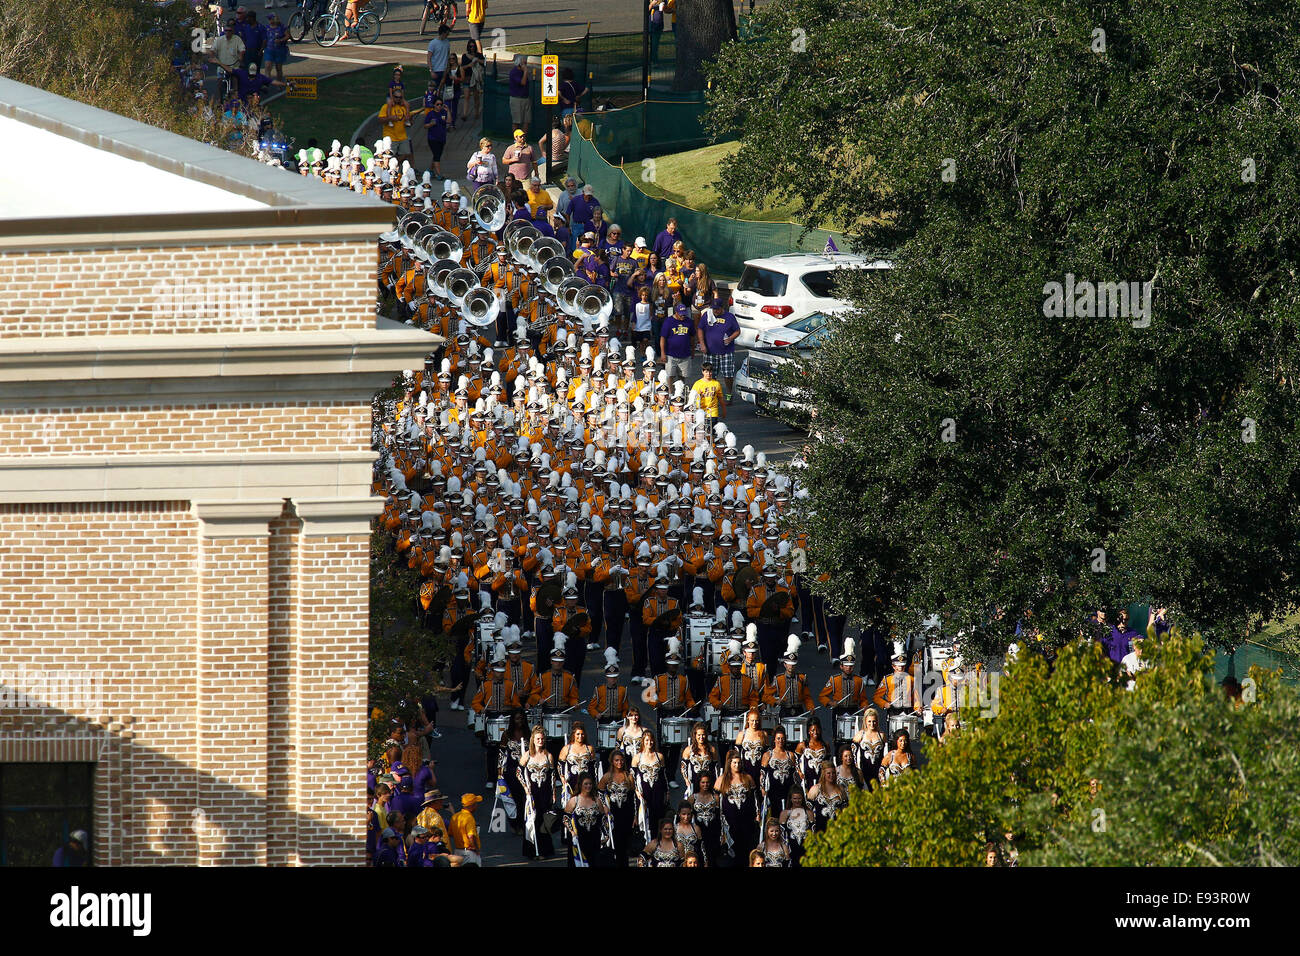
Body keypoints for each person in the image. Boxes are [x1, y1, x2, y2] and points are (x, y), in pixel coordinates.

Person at [519, 725, 558, 859]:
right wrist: (525, 788)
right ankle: (531, 851)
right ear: (533, 740)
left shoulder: (549, 756)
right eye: (538, 739)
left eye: (542, 739)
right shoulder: (527, 755)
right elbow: (519, 772)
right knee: (532, 821)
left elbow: (553, 776)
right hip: (532, 793)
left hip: (545, 793)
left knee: (544, 822)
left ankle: (544, 850)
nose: (540, 741)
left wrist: (553, 793)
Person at [717, 749, 759, 864]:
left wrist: (758, 813)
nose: (737, 765)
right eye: (734, 762)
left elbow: (755, 798)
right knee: (732, 849)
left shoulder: (748, 778)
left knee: (746, 847)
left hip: (746, 820)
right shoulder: (722, 779)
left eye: (739, 762)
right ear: (729, 764)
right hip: (729, 820)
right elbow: (716, 800)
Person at [698, 292, 741, 399]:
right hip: (710, 351)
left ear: (722, 308)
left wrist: (730, 338)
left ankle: (729, 395)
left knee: (728, 375)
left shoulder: (729, 317)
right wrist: (702, 344)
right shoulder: (707, 315)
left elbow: (737, 331)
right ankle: (712, 395)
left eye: (717, 309)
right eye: (713, 309)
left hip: (726, 351)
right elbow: (700, 329)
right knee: (711, 375)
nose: (715, 311)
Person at [598, 749, 637, 864]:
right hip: (613, 813)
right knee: (615, 841)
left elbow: (633, 798)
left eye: (621, 760)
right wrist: (604, 806)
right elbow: (599, 792)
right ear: (612, 762)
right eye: (616, 760)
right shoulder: (607, 777)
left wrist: (635, 815)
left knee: (625, 842)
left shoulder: (629, 777)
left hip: (627, 813)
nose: (619, 763)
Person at [563, 772, 608, 866]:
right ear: (580, 785)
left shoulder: (597, 800)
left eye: (590, 784)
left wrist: (606, 834)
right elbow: (566, 818)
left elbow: (603, 819)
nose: (588, 786)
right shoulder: (574, 800)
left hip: (594, 838)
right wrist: (572, 832)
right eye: (586, 784)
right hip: (579, 838)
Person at [632, 730, 668, 845]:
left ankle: (658, 842)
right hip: (643, 792)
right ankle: (645, 844)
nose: (650, 742)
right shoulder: (637, 757)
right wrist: (636, 791)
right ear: (643, 741)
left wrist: (667, 792)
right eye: (647, 740)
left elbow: (663, 776)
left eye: (651, 739)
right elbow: (632, 777)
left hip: (658, 791)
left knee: (657, 818)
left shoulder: (660, 756)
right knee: (644, 818)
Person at [759, 726, 798, 818]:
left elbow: (794, 774)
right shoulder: (768, 754)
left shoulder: (790, 755)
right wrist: (762, 788)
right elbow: (762, 774)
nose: (780, 740)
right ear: (774, 740)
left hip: (787, 790)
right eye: (778, 738)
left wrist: (795, 789)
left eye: (782, 738)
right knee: (774, 815)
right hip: (773, 790)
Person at [660, 301, 695, 387]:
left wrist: (693, 350)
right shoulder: (668, 321)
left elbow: (692, 337)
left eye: (684, 314)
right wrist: (663, 353)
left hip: (685, 354)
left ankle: (680, 394)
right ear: (676, 312)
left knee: (683, 376)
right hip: (671, 354)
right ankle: (670, 394)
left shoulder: (689, 322)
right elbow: (663, 338)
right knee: (670, 375)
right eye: (681, 314)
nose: (683, 316)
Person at [806, 764, 849, 832]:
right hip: (819, 829)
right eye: (828, 773)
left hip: (837, 829)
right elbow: (807, 810)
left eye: (833, 773)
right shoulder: (816, 789)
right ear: (824, 774)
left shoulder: (841, 789)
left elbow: (845, 810)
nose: (831, 775)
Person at [852, 707, 886, 789]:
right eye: (869, 721)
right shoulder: (860, 735)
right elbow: (853, 754)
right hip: (864, 770)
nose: (872, 724)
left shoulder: (881, 735)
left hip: (878, 771)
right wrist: (857, 770)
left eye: (874, 721)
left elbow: (886, 754)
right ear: (865, 722)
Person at [796, 718, 831, 792]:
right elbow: (795, 760)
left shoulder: (825, 745)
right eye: (812, 730)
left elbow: (828, 763)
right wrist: (799, 772)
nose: (815, 732)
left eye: (817, 730)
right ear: (808, 731)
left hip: (821, 778)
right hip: (807, 778)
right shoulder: (803, 745)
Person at [379, 89, 414, 162]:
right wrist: (390, 118)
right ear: (392, 97)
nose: (398, 99)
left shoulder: (403, 107)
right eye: (396, 97)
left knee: (406, 154)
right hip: (390, 136)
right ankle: (391, 168)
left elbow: (411, 122)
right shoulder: (386, 107)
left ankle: (394, 165)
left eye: (400, 97)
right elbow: (380, 120)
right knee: (389, 156)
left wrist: (409, 119)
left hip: (402, 136)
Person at [422, 93, 450, 178]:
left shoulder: (444, 112)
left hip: (442, 138)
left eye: (441, 104)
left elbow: (449, 121)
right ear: (434, 105)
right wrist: (431, 124)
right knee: (437, 155)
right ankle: (439, 174)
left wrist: (448, 110)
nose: (439, 106)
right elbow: (425, 125)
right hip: (433, 138)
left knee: (437, 155)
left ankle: (430, 170)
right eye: (437, 104)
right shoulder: (430, 114)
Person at [689, 362, 725, 428]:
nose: (708, 374)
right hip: (700, 411)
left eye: (710, 372)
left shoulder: (716, 384)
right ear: (702, 372)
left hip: (713, 411)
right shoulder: (698, 384)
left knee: (712, 432)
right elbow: (691, 399)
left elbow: (720, 398)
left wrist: (724, 410)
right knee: (701, 432)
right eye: (706, 372)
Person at [463, 38, 486, 120]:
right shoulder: (464, 56)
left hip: (476, 79)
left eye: (473, 46)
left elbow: (484, 63)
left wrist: (477, 60)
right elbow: (463, 67)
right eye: (470, 46)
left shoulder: (479, 55)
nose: (471, 48)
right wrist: (470, 65)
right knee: (466, 97)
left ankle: (476, 112)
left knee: (476, 97)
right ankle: (465, 114)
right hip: (467, 78)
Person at [508, 54, 531, 132]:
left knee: (526, 120)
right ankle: (516, 139)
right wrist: (525, 72)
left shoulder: (523, 72)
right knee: (516, 121)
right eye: (524, 63)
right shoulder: (514, 72)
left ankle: (524, 139)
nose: (525, 65)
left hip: (525, 98)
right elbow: (523, 82)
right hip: (516, 99)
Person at [263, 14, 288, 83]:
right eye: (269, 19)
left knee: (278, 68)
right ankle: (267, 82)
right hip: (269, 49)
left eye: (271, 19)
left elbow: (287, 36)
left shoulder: (282, 27)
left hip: (279, 50)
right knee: (267, 66)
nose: (269, 20)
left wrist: (281, 40)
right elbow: (264, 38)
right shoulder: (267, 27)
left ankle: (279, 82)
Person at [427, 24, 451, 93]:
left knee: (447, 91)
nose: (447, 35)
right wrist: (431, 71)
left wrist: (448, 68)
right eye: (447, 33)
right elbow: (429, 58)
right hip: (436, 70)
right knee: (435, 91)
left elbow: (448, 56)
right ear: (443, 33)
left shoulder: (447, 42)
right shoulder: (433, 43)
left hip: (445, 70)